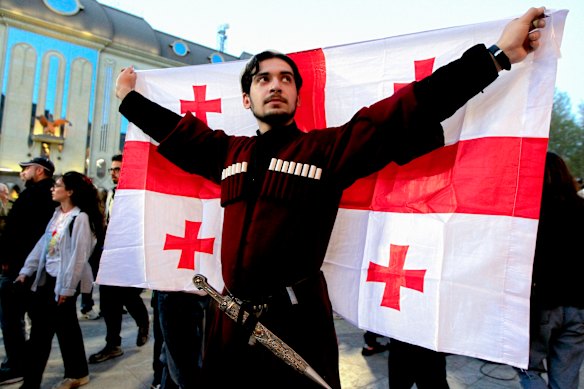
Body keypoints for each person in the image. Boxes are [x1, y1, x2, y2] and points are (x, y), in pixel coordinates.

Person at [115, 8, 546, 388]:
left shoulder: (326, 151)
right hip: (229, 326)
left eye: (286, 78)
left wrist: (496, 57)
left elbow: (404, 111)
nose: (276, 85)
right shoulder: (229, 154)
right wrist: (130, 101)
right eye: (263, 78)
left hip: (296, 325)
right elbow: (180, 135)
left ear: (298, 97)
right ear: (247, 98)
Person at [15, 171, 103, 389]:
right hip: (48, 281)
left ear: (70, 191)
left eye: (58, 185)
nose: (53, 188)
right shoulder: (57, 215)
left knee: (40, 335)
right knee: (66, 330)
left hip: (62, 285)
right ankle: (78, 373)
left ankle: (31, 383)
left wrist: (67, 288)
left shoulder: (80, 218)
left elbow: (78, 258)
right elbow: (43, 245)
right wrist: (27, 270)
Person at [516, 152, 584, 389]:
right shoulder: (582, 207)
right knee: (566, 380)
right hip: (578, 306)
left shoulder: (530, 213)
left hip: (542, 304)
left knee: (527, 368)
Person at [0, 157, 58, 385]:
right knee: (17, 319)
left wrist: (9, 259)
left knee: (12, 319)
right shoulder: (39, 193)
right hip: (24, 265)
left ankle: (17, 365)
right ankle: (20, 363)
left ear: (40, 171)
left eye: (26, 168)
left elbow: (24, 232)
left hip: (20, 267)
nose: (22, 172)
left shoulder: (39, 194)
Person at [88, 154, 150, 364]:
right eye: (112, 169)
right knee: (107, 302)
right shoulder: (111, 194)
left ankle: (143, 322)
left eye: (117, 169)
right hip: (109, 253)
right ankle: (112, 344)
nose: (113, 173)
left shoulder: (138, 195)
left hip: (130, 255)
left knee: (129, 296)